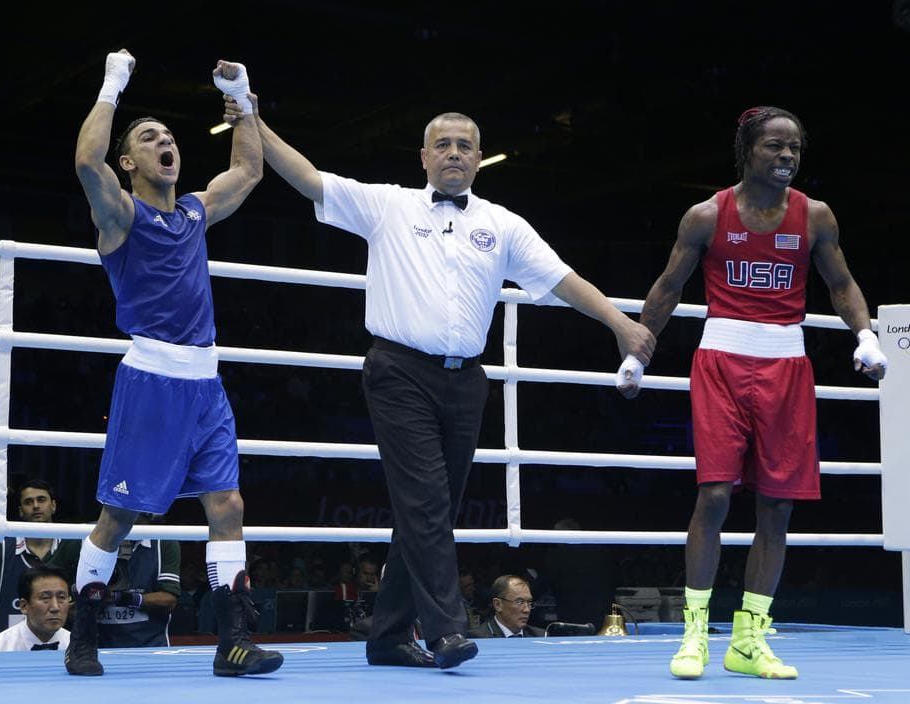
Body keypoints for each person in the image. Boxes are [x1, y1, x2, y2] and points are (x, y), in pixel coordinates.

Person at [224, 94, 655, 669]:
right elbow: (307, 177)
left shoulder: (502, 225)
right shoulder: (388, 206)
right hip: (399, 373)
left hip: (465, 382)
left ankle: (388, 637)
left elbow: (563, 278)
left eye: (465, 145)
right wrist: (253, 118)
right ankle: (447, 629)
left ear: (479, 159)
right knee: (426, 505)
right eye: (443, 144)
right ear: (423, 156)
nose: (454, 153)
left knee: (429, 514)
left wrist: (620, 324)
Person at [616, 106, 888, 680]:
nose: (787, 156)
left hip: (788, 365)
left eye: (795, 148)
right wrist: (637, 352)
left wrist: (865, 335)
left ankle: (750, 637)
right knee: (714, 495)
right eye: (775, 146)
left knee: (778, 505)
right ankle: (695, 632)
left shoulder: (814, 216)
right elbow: (668, 286)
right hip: (721, 361)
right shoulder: (705, 215)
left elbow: (841, 284)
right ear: (748, 150)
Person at [66, 50, 282, 678]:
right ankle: (84, 634)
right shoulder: (121, 216)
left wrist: (241, 97)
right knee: (121, 514)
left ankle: (233, 641)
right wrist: (112, 84)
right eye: (148, 137)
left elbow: (247, 168)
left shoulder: (193, 212)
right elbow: (86, 161)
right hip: (151, 381)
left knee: (230, 506)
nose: (165, 141)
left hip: (205, 384)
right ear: (129, 162)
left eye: (169, 136)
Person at [0, 478, 80, 646]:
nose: (36, 506)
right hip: (9, 645)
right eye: (28, 502)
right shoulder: (3, 549)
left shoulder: (73, 545)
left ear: (53, 506)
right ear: (21, 511)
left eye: (41, 499)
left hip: (63, 645)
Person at [97, 520, 181, 648]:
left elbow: (169, 600)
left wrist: (122, 598)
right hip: (97, 649)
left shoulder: (162, 541)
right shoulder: (86, 539)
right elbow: (57, 586)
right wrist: (92, 598)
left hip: (150, 647)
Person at [0, 564, 71, 652]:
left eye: (61, 597)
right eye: (45, 598)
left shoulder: (80, 648)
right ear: (24, 606)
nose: (55, 607)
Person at [468, 575, 545, 638]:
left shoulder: (541, 636)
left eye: (529, 602)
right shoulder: (478, 638)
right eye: (519, 602)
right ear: (498, 605)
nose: (527, 610)